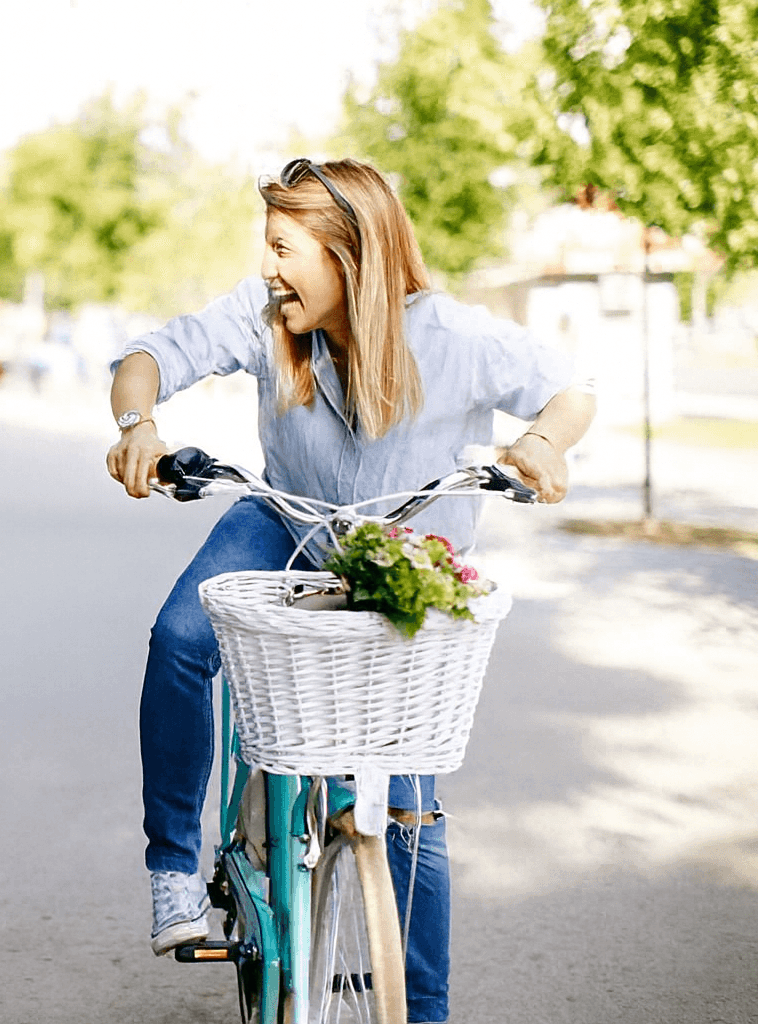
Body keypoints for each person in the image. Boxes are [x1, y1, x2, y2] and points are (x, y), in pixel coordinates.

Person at [105, 157, 594, 1023]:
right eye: (269, 245)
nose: (268, 268)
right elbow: (150, 353)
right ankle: (172, 867)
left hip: (403, 564)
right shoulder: (266, 325)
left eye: (286, 247)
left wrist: (547, 444)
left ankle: (425, 1012)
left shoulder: (453, 338)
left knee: (410, 805)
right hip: (286, 524)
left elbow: (568, 392)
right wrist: (139, 424)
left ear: (349, 255)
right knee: (182, 638)